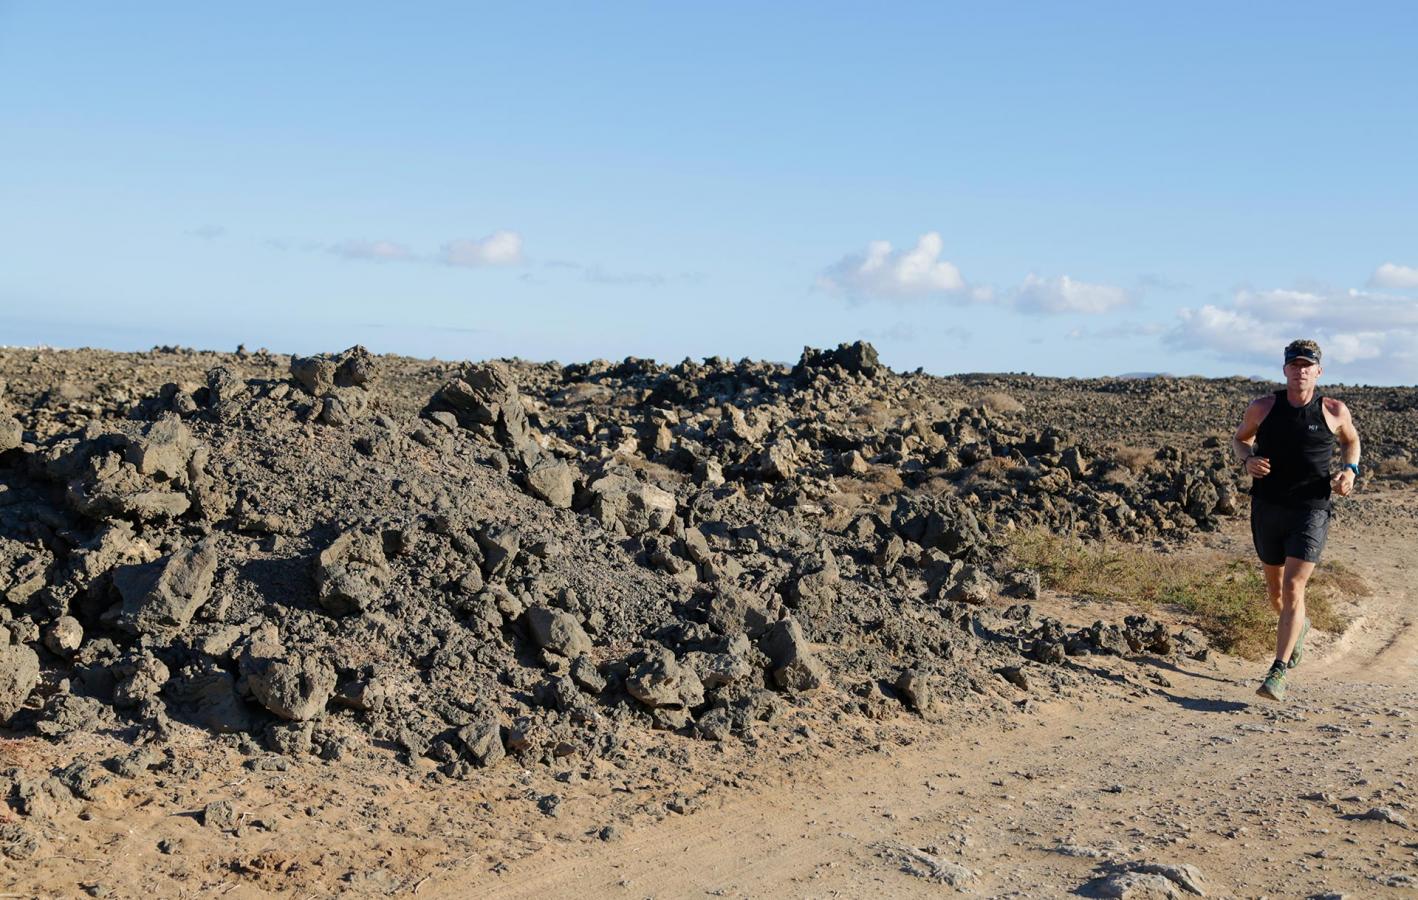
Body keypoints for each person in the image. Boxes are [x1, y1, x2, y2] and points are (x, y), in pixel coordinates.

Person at [1232, 339, 1360, 701]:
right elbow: (1240, 440)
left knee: (1292, 588)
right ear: (1285, 369)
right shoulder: (1263, 407)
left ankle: (1278, 671)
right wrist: (1247, 461)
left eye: (1308, 365)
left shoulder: (1333, 410)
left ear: (1318, 371)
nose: (1300, 370)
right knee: (1275, 593)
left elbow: (1352, 441)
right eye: (1295, 364)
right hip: (1268, 507)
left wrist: (1349, 471)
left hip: (1312, 508)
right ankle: (1298, 628)